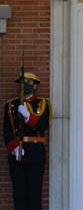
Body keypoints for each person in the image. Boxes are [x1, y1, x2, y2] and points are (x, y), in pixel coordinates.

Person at [3, 72, 52, 210]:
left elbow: (43, 125)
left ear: (35, 86)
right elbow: (7, 131)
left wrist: (27, 116)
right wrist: (13, 148)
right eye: (22, 82)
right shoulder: (11, 105)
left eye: (28, 82)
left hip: (35, 152)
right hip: (17, 153)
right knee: (19, 195)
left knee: (34, 195)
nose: (24, 85)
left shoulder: (43, 104)